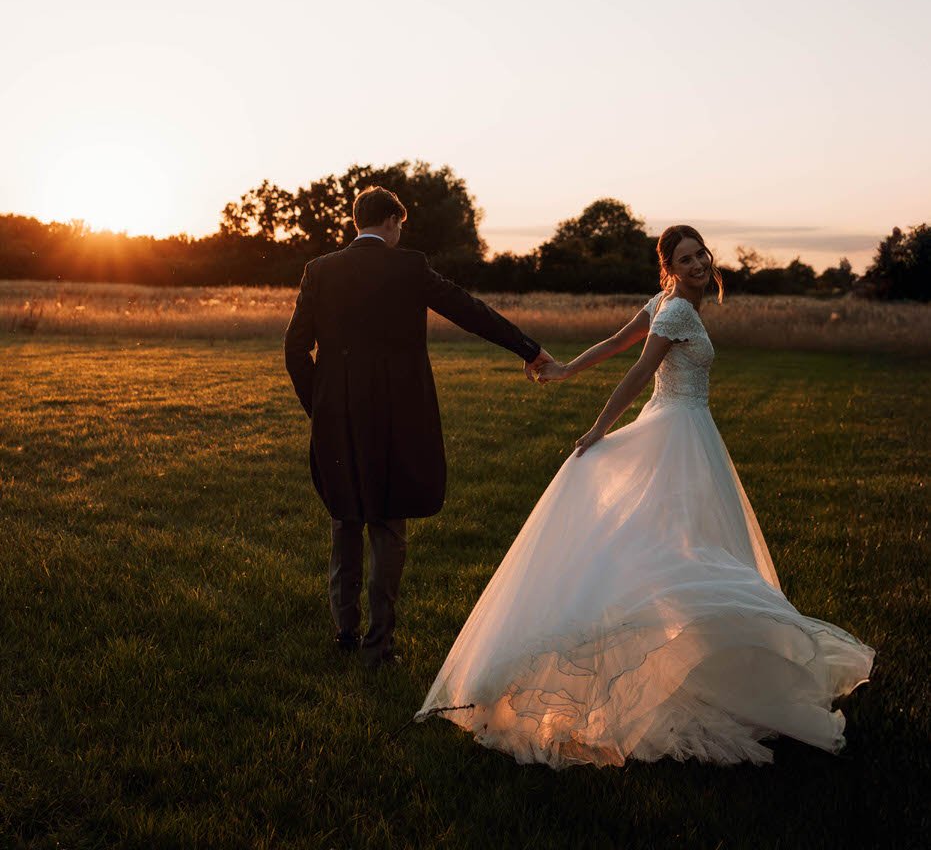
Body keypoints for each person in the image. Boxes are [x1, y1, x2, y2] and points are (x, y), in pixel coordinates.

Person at [415, 225, 874, 767]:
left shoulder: (665, 303)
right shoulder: (674, 309)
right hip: (676, 433)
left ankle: (685, 659)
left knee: (681, 549)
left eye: (701, 252)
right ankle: (653, 661)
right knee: (684, 551)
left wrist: (565, 369)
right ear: (670, 268)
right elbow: (635, 365)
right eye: (685, 258)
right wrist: (598, 427)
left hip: (688, 431)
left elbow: (614, 343)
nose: (698, 262)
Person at [284, 185, 553, 669]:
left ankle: (344, 633)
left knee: (345, 520)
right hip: (396, 418)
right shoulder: (407, 266)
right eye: (400, 225)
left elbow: (295, 348)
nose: (399, 232)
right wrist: (528, 349)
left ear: (355, 222)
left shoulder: (319, 271)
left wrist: (320, 406)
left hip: (337, 419)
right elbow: (470, 311)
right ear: (390, 221)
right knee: (388, 524)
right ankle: (377, 647)